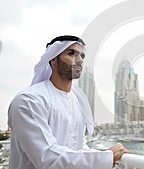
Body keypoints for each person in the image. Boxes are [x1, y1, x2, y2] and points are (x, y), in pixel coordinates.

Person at [8, 35, 129, 169]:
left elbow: (78, 147)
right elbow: (47, 158)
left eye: (82, 56)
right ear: (53, 58)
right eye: (72, 54)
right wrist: (106, 157)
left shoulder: (77, 101)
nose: (79, 60)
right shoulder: (29, 100)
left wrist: (107, 157)